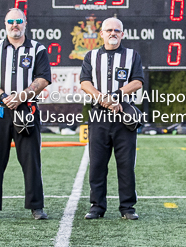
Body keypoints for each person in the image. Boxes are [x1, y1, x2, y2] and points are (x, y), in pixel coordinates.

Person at [0, 8, 51, 221]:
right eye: (11, 21)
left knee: (31, 160)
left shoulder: (37, 49)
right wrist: (3, 96)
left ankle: (36, 206)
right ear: (5, 24)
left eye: (19, 21)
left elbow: (43, 78)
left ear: (25, 23)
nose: (14, 25)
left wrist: (22, 96)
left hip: (27, 109)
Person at [80, 17, 144, 220]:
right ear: (102, 33)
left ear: (122, 34)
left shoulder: (132, 55)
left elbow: (137, 81)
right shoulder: (91, 56)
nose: (113, 33)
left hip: (124, 115)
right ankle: (97, 207)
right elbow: (84, 82)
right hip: (99, 114)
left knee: (125, 164)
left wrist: (116, 96)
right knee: (97, 164)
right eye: (108, 30)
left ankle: (127, 208)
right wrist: (103, 99)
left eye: (117, 30)